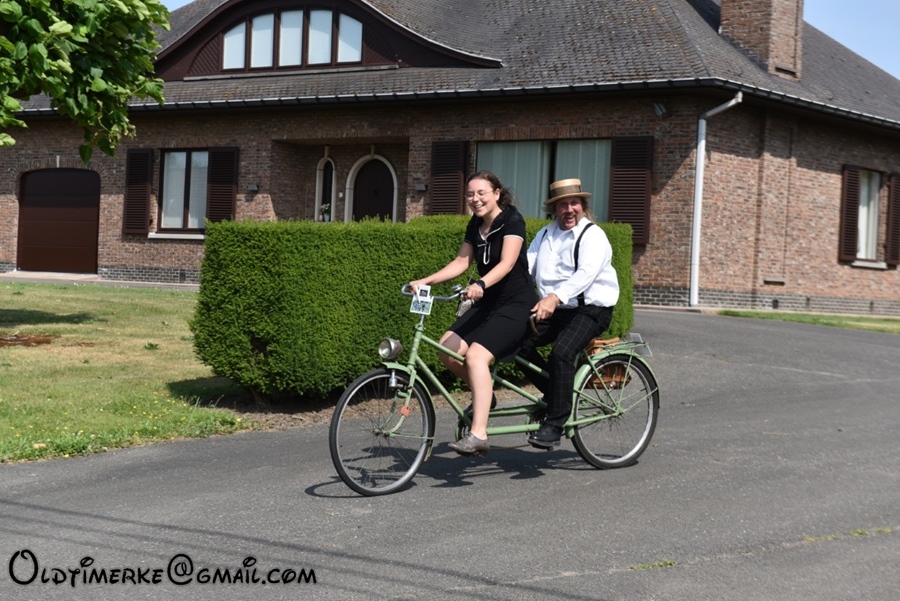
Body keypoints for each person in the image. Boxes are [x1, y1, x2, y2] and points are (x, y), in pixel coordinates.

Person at [410, 171, 537, 456]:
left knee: (476, 356)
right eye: (470, 194)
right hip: (488, 302)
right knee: (447, 349)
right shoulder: (475, 224)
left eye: (481, 193)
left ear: (497, 194)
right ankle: (485, 396)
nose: (475, 199)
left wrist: (480, 284)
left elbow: (507, 264)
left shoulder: (512, 220)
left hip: (515, 304)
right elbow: (461, 262)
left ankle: (479, 434)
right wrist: (425, 281)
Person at [522, 178, 619, 449]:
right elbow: (525, 268)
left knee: (561, 352)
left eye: (574, 203)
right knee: (515, 342)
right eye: (562, 205)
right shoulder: (544, 235)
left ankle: (555, 425)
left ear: (583, 206)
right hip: (558, 309)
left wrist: (554, 297)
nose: (569, 209)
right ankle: (557, 396)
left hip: (591, 309)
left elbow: (585, 274)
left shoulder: (593, 236)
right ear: (553, 209)